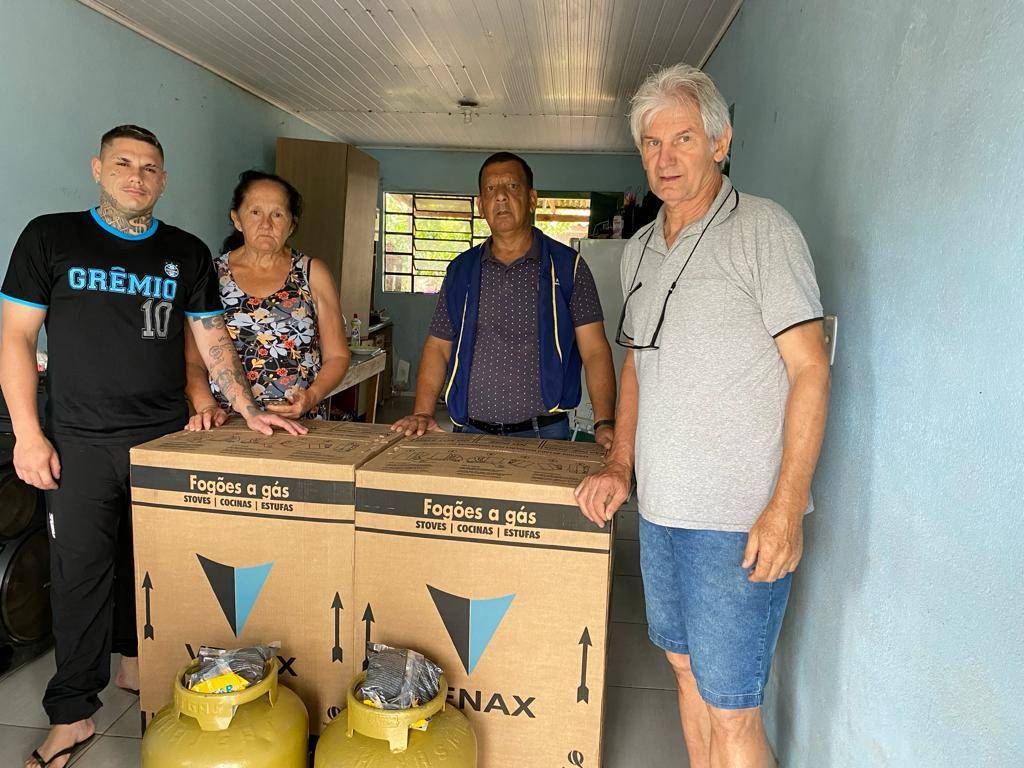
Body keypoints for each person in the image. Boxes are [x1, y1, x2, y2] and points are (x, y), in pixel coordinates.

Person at [0, 125, 305, 768]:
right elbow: (16, 339)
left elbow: (212, 338)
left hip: (164, 438)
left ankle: (138, 663)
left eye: (148, 168)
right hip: (78, 441)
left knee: (153, 567)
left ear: (163, 180)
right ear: (98, 169)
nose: (135, 177)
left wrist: (247, 408)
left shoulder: (185, 252)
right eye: (123, 163)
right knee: (79, 576)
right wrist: (28, 433)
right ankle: (72, 714)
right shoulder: (50, 237)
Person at [575, 65, 831, 768]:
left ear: (720, 142)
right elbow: (637, 364)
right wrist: (620, 465)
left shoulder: (763, 230)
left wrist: (786, 507)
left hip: (738, 522)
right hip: (662, 512)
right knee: (684, 670)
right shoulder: (639, 250)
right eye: (652, 142)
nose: (665, 157)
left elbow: (810, 370)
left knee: (733, 709)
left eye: (683, 138)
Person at [392, 152, 617, 444]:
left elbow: (595, 350)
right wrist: (423, 412)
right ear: (481, 205)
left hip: (545, 433)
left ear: (532, 199)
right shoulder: (461, 271)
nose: (500, 196)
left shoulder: (567, 266)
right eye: (491, 189)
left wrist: (604, 423)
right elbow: (438, 347)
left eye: (512, 186)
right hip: (470, 432)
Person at [183, 170, 349, 427]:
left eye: (277, 214)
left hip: (299, 423)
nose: (266, 224)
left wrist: (311, 397)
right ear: (237, 219)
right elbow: (194, 363)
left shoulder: (311, 272)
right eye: (255, 212)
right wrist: (207, 407)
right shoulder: (211, 275)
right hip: (227, 423)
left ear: (292, 225)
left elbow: (337, 356)